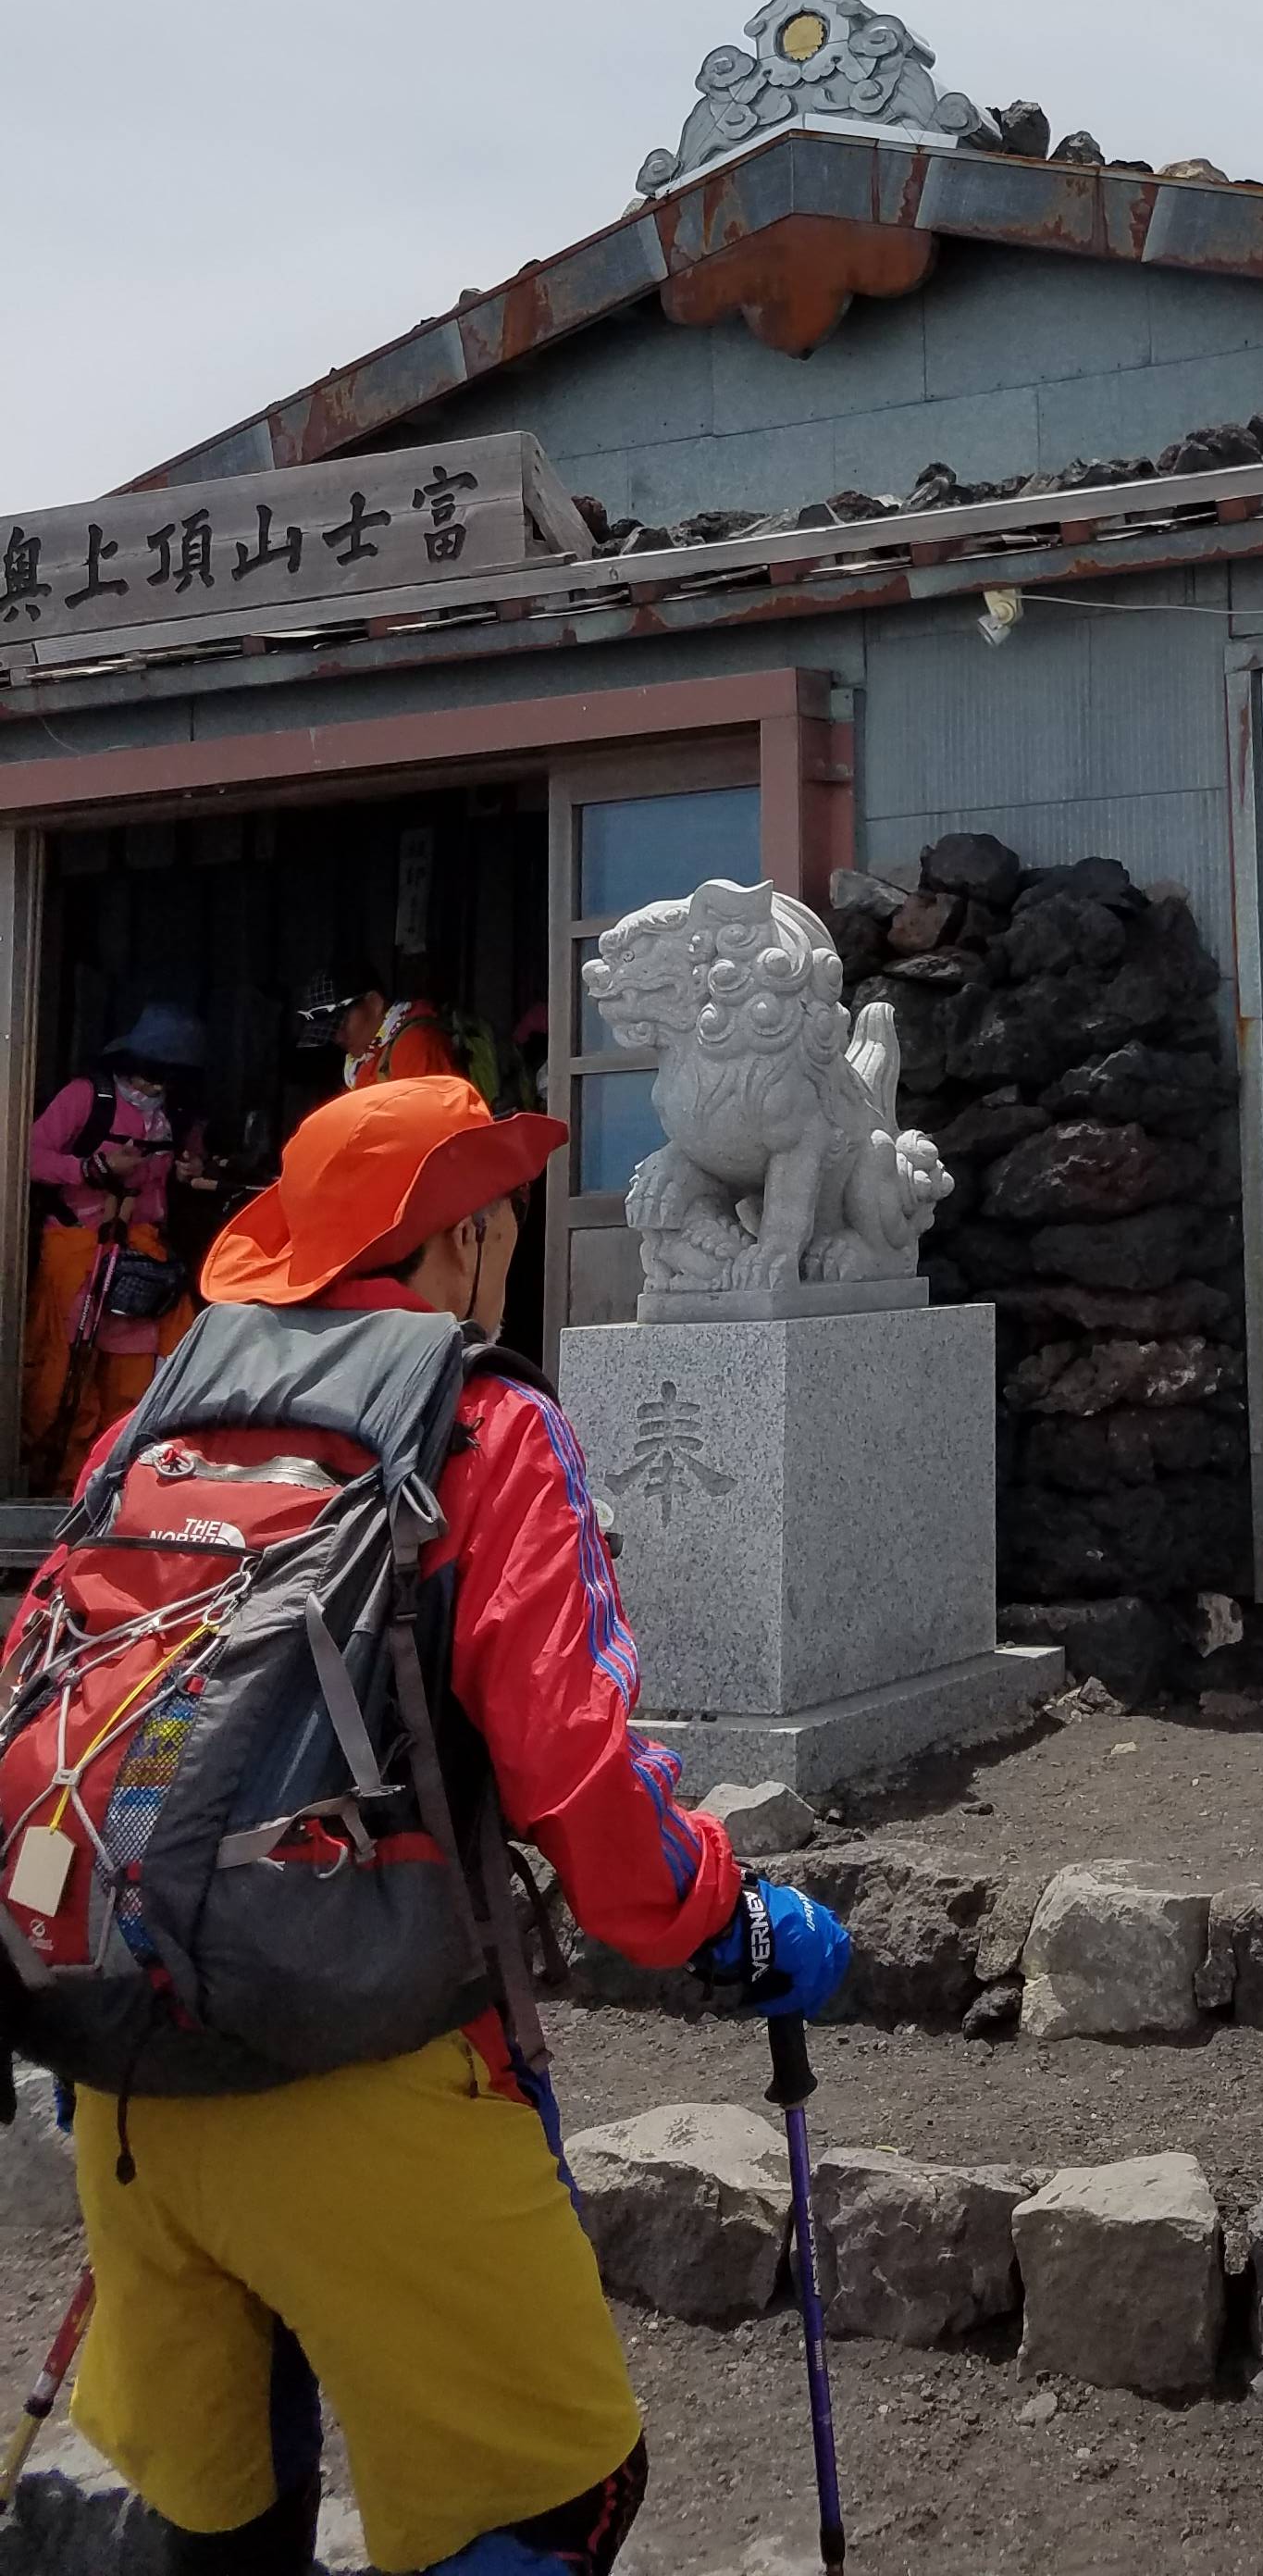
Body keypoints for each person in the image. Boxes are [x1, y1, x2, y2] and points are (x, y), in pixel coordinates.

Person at [31, 1076, 853, 2575]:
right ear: (465, 1236)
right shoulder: (480, 1428)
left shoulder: (148, 1433)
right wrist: (733, 1916)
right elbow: (585, 1792)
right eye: (507, 1226)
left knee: (227, 2514)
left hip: (129, 2085)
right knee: (555, 2496)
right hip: (366, 2072)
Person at [20, 1004, 207, 1492]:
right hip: (75, 1247)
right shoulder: (86, 1098)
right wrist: (91, 1170)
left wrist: (187, 1170)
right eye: (147, 1072)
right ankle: (58, 1488)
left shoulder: (175, 1116)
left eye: (166, 1077)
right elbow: (27, 1154)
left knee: (135, 1375)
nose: (152, 1087)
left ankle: (119, 1484)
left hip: (140, 1252)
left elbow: (174, 1178)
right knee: (62, 1375)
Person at [320, 968, 463, 1092]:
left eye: (342, 1022)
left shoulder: (415, 1044)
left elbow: (425, 1119)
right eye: (332, 1029)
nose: (338, 1037)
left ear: (374, 1003)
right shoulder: (364, 1059)